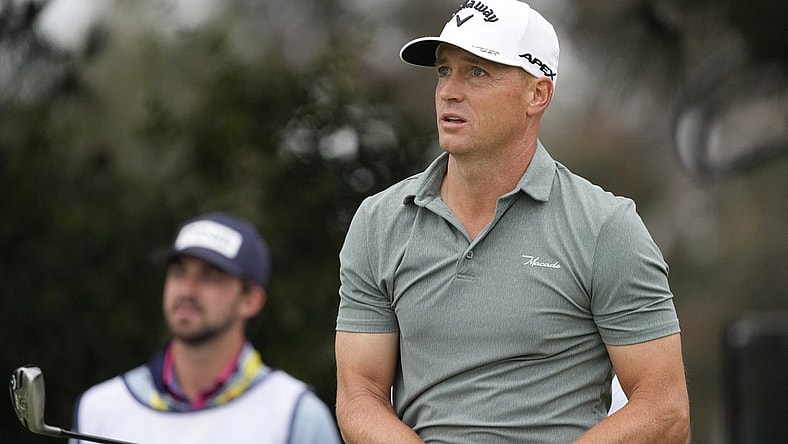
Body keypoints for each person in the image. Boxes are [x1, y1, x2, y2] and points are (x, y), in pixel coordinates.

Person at [334, 0, 690, 442]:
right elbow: (359, 396)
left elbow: (666, 411)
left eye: (477, 72)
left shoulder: (605, 227)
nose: (449, 91)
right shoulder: (379, 222)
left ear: (536, 94)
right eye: (444, 71)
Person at [70, 212, 341, 444]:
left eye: (210, 276)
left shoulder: (296, 414)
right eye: (178, 272)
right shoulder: (99, 409)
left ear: (250, 300)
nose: (187, 289)